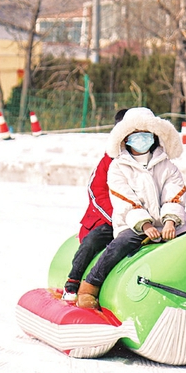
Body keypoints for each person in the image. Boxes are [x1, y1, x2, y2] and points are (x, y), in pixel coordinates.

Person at [75, 107, 186, 310]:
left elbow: (175, 193)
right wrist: (144, 225)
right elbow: (125, 200)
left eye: (146, 135)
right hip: (134, 225)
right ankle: (90, 285)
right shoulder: (118, 167)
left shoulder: (167, 165)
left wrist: (171, 220)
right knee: (122, 243)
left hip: (166, 224)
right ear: (125, 138)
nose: (141, 140)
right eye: (135, 135)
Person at [63, 108, 129, 301]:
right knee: (93, 241)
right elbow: (97, 190)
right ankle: (73, 282)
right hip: (109, 219)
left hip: (140, 219)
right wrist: (117, 216)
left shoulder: (150, 160)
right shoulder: (108, 160)